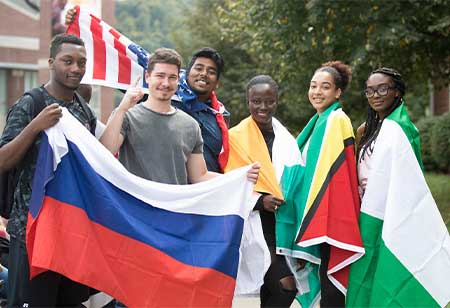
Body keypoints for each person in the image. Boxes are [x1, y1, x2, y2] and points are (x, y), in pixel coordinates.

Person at [64, 9, 229, 174]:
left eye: (211, 72)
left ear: (217, 84)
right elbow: (104, 152)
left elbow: (201, 175)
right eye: (198, 68)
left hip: (198, 194)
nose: (203, 74)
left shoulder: (217, 116)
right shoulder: (134, 113)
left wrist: (238, 180)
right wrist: (80, 29)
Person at [0, 34, 96, 307]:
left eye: (81, 62)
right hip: (30, 232)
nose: (76, 68)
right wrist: (35, 126)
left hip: (69, 234)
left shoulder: (84, 111)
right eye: (68, 61)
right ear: (52, 63)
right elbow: (3, 161)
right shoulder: (31, 104)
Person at [346, 69, 450, 307]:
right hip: (366, 210)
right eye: (370, 90)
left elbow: (409, 177)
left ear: (397, 92)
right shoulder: (366, 129)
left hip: (390, 211)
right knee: (365, 273)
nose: (376, 95)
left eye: (383, 89)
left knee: (386, 272)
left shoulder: (402, 129)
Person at [99, 47, 258, 186]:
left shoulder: (190, 126)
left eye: (172, 77)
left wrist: (240, 176)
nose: (166, 83)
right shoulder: (127, 116)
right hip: (133, 214)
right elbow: (103, 153)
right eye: (160, 76)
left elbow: (199, 176)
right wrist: (121, 109)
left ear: (178, 80)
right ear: (148, 77)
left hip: (174, 216)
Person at [277, 61, 364, 308]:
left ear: (337, 92)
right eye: (313, 86)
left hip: (330, 213)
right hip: (319, 212)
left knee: (330, 281)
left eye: (325, 87)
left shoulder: (336, 119)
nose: (317, 92)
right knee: (324, 276)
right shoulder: (317, 121)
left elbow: (331, 173)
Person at [225, 75, 301, 307]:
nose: (263, 107)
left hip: (284, 221)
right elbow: (230, 183)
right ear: (248, 101)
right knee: (285, 286)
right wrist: (260, 201)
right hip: (256, 222)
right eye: (256, 101)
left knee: (271, 288)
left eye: (269, 101)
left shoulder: (286, 138)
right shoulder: (235, 137)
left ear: (276, 101)